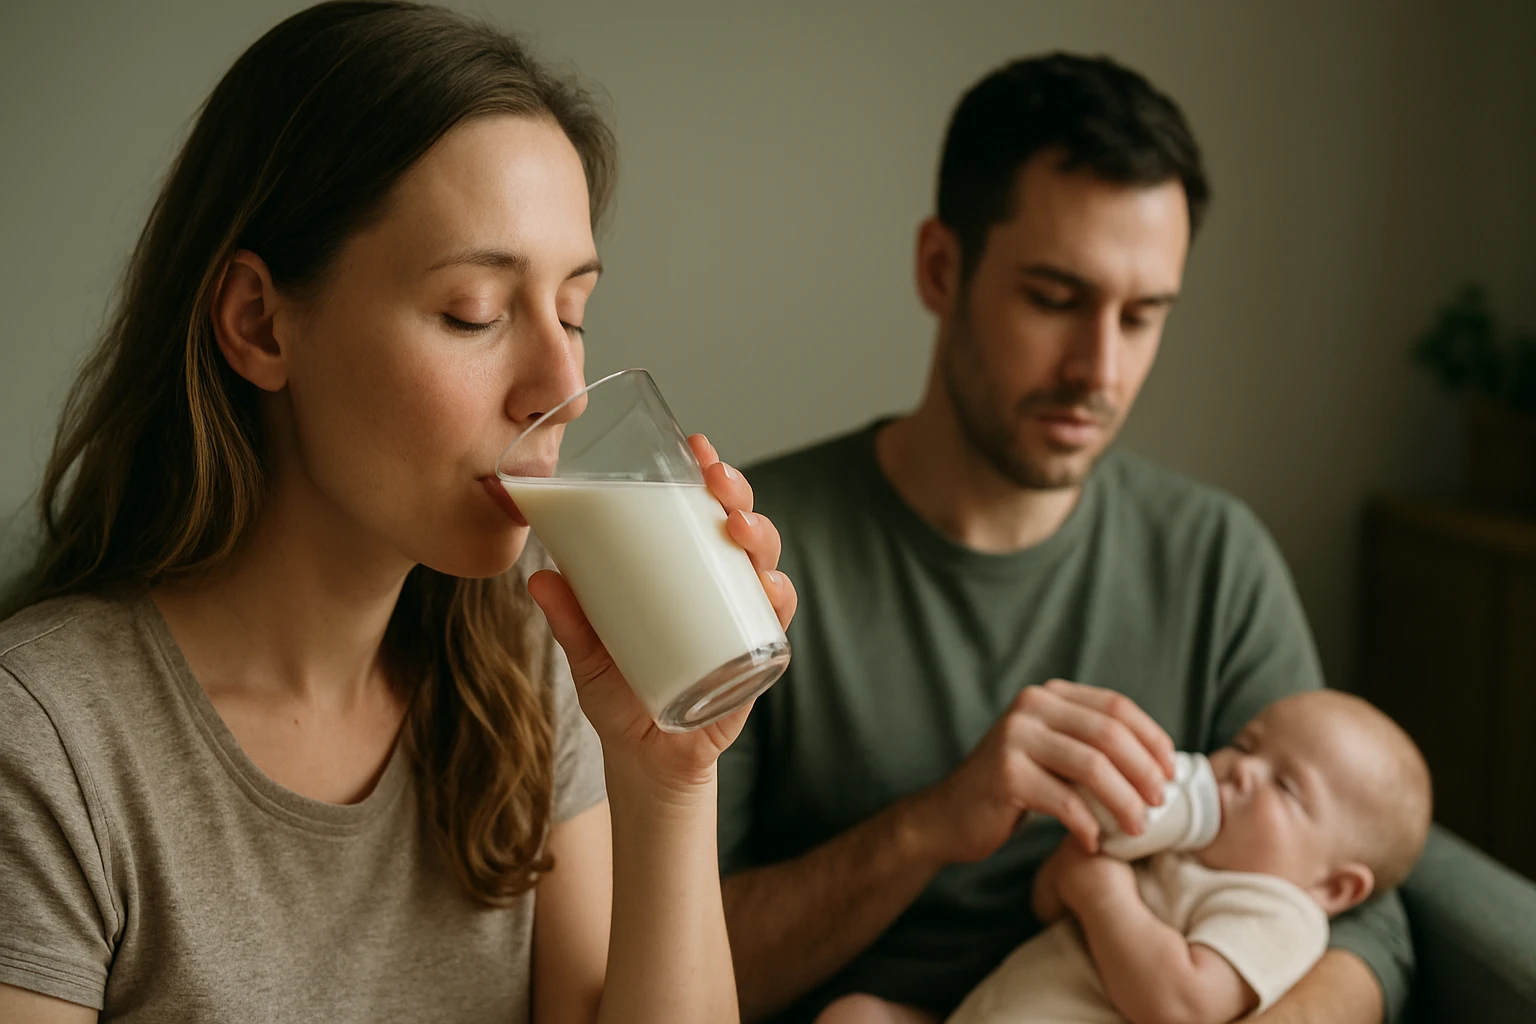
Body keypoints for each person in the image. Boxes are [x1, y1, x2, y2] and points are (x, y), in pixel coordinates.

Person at [0, 4, 795, 1022]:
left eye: (573, 312)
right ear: (258, 322)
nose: (561, 383)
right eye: (474, 310)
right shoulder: (47, 743)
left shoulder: (532, 680)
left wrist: (670, 782)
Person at [717, 53, 1415, 1024]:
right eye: (1055, 299)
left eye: (1143, 316)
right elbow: (661, 969)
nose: (1100, 369)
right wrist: (924, 829)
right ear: (940, 268)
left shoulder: (1215, 556)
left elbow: (1362, 916)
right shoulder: (749, 552)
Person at [836, 690, 1433, 1024]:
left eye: (1286, 786)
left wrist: (1101, 888)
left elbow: (1181, 1005)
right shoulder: (1181, 848)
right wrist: (1093, 845)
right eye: (1247, 745)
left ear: (1335, 888)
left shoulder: (1279, 911)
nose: (1244, 770)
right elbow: (1049, 901)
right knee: (856, 1016)